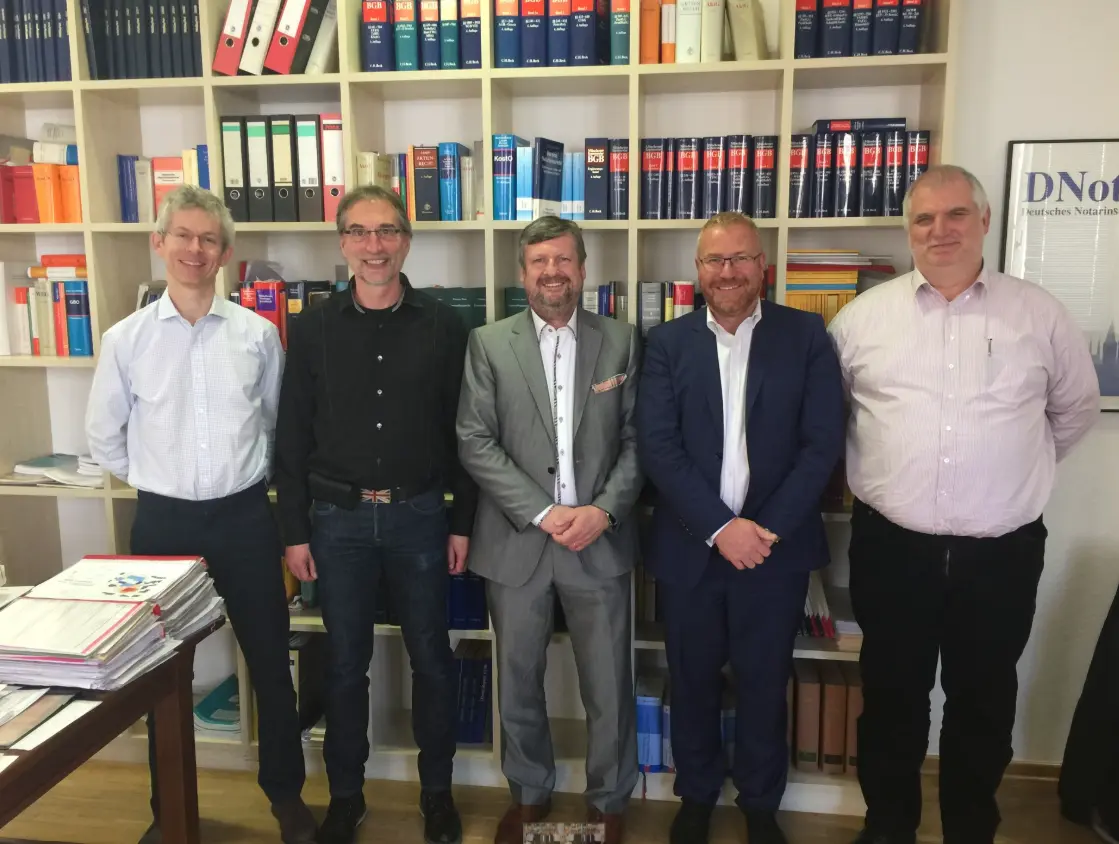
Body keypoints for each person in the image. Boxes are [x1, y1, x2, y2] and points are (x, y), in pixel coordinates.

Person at [827, 164, 1100, 844]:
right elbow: (831, 421)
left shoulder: (1037, 314)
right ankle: (887, 826)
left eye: (954, 215)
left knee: (982, 702)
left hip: (1000, 553)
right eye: (923, 219)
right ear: (907, 230)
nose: (938, 230)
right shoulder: (863, 320)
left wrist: (1005, 477)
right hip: (892, 547)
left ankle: (969, 830)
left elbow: (1073, 412)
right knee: (891, 700)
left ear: (983, 221)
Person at [85, 185, 314, 844]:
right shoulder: (125, 340)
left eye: (207, 239)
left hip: (245, 520)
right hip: (163, 526)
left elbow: (276, 429)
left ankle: (285, 797)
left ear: (224, 253)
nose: (194, 249)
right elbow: (105, 437)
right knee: (161, 677)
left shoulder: (257, 335)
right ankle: (170, 810)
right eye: (181, 236)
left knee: (272, 665)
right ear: (159, 244)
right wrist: (160, 481)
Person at [273, 185, 477, 844]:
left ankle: (437, 794)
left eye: (386, 231)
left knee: (432, 662)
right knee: (343, 667)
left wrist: (460, 523)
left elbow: (465, 436)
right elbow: (290, 438)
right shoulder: (311, 329)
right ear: (342, 243)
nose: (373, 245)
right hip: (337, 525)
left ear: (406, 240)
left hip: (420, 517)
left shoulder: (446, 328)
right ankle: (346, 796)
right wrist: (294, 532)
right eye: (359, 232)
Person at [635, 211, 845, 844]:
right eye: (713, 261)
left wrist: (763, 530)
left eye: (739, 259)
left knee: (762, 683)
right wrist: (721, 529)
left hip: (773, 555)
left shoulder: (806, 336)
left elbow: (822, 445)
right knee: (692, 681)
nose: (727, 272)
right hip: (691, 549)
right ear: (697, 271)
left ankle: (760, 802)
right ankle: (696, 795)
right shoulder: (666, 344)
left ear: (763, 267)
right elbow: (659, 448)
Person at [456, 216, 643, 844]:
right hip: (518, 541)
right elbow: (474, 440)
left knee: (609, 683)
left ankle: (610, 799)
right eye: (539, 262)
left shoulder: (622, 341)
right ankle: (529, 792)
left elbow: (640, 442)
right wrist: (543, 512)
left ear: (583, 268)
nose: (552, 273)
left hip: (600, 538)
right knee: (518, 680)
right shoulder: (488, 343)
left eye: (563, 260)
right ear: (522, 272)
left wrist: (603, 511)